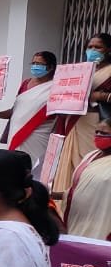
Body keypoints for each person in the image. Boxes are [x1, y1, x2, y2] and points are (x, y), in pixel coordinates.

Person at [0, 51, 59, 175]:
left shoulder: (57, 86)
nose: (35, 66)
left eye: (39, 63)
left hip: (39, 134)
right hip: (16, 132)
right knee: (15, 169)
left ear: (51, 67)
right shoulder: (25, 84)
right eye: (33, 63)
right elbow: (15, 111)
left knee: (36, 170)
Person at [53, 33, 111, 195]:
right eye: (90, 47)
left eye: (98, 47)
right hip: (75, 122)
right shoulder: (79, 70)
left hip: (97, 124)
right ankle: (65, 200)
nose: (93, 50)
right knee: (71, 165)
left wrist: (102, 96)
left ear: (108, 50)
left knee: (91, 164)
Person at [62, 118, 111, 240]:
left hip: (102, 224)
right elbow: (78, 188)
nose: (99, 135)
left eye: (104, 133)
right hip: (78, 220)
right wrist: (55, 194)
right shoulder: (91, 155)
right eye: (97, 132)